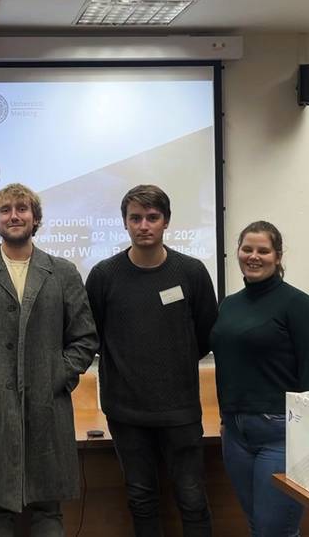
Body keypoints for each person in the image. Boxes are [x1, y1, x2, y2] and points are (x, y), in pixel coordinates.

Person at [0, 183, 98, 536]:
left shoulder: (63, 272)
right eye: (6, 210)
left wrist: (60, 376)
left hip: (47, 409)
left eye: (22, 209)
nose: (15, 216)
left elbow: (85, 337)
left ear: (35, 218)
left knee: (48, 510)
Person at [85, 184, 217, 537]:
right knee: (141, 501)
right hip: (126, 412)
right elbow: (93, 336)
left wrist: (171, 364)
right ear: (125, 223)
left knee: (192, 499)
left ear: (166, 222)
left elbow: (206, 334)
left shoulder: (191, 272)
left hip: (180, 410)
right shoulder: (103, 276)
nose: (144, 225)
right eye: (136, 218)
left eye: (152, 217)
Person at [210, 221, 309, 536]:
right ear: (237, 252)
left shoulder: (297, 304)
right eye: (247, 249)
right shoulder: (230, 305)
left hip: (281, 435)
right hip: (235, 433)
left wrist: (305, 435)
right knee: (256, 525)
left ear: (277, 257)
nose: (254, 256)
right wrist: (225, 420)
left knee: (275, 531)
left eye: (263, 250)